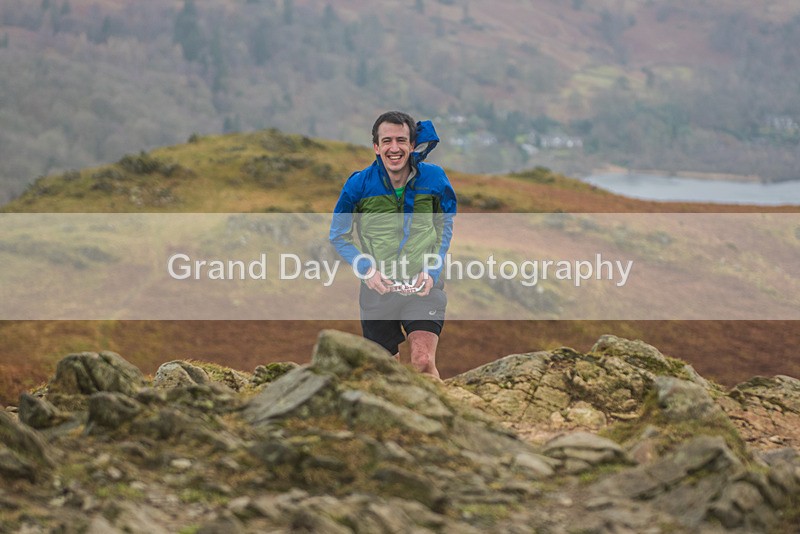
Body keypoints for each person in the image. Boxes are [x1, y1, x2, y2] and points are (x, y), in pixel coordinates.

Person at [330, 111, 457, 378]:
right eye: (387, 141)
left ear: (412, 145)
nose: (394, 148)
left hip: (422, 286)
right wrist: (367, 270)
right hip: (378, 291)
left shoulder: (434, 179)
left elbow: (444, 226)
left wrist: (432, 270)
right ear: (376, 147)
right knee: (384, 375)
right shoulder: (358, 185)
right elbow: (339, 235)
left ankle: (439, 419)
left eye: (401, 140)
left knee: (422, 362)